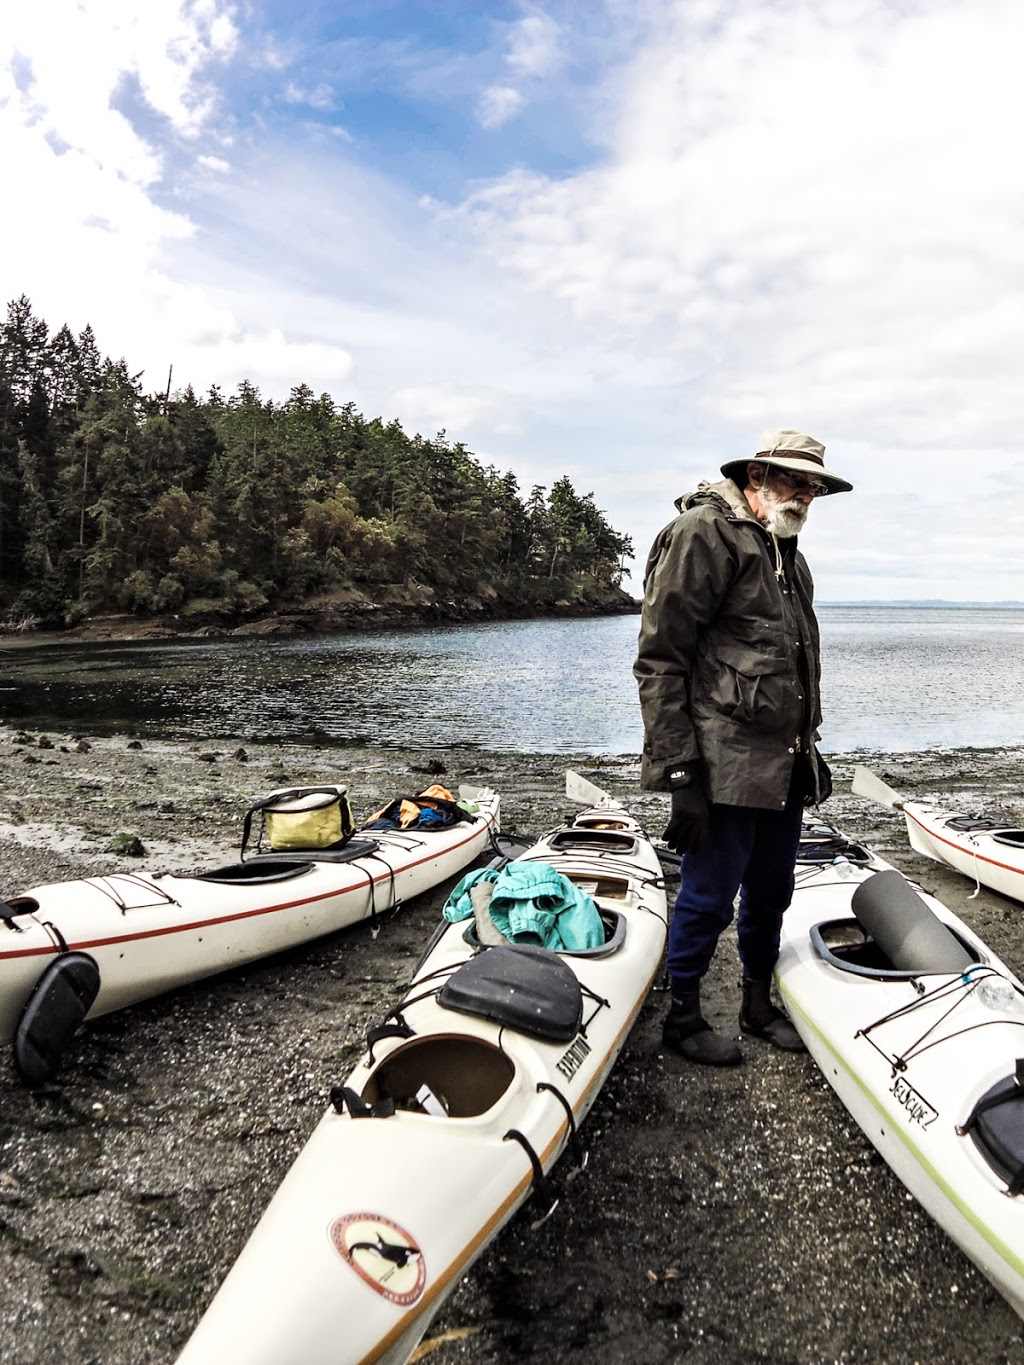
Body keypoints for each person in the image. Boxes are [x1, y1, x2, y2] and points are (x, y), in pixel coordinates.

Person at [633, 429, 853, 1066]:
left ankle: (757, 1005)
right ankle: (683, 1017)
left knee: (773, 888)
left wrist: (807, 750)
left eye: (814, 486)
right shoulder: (704, 533)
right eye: (794, 481)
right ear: (756, 474)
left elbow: (789, 660)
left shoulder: (787, 551)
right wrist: (680, 775)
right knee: (706, 894)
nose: (806, 495)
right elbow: (660, 661)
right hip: (721, 761)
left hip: (784, 762)